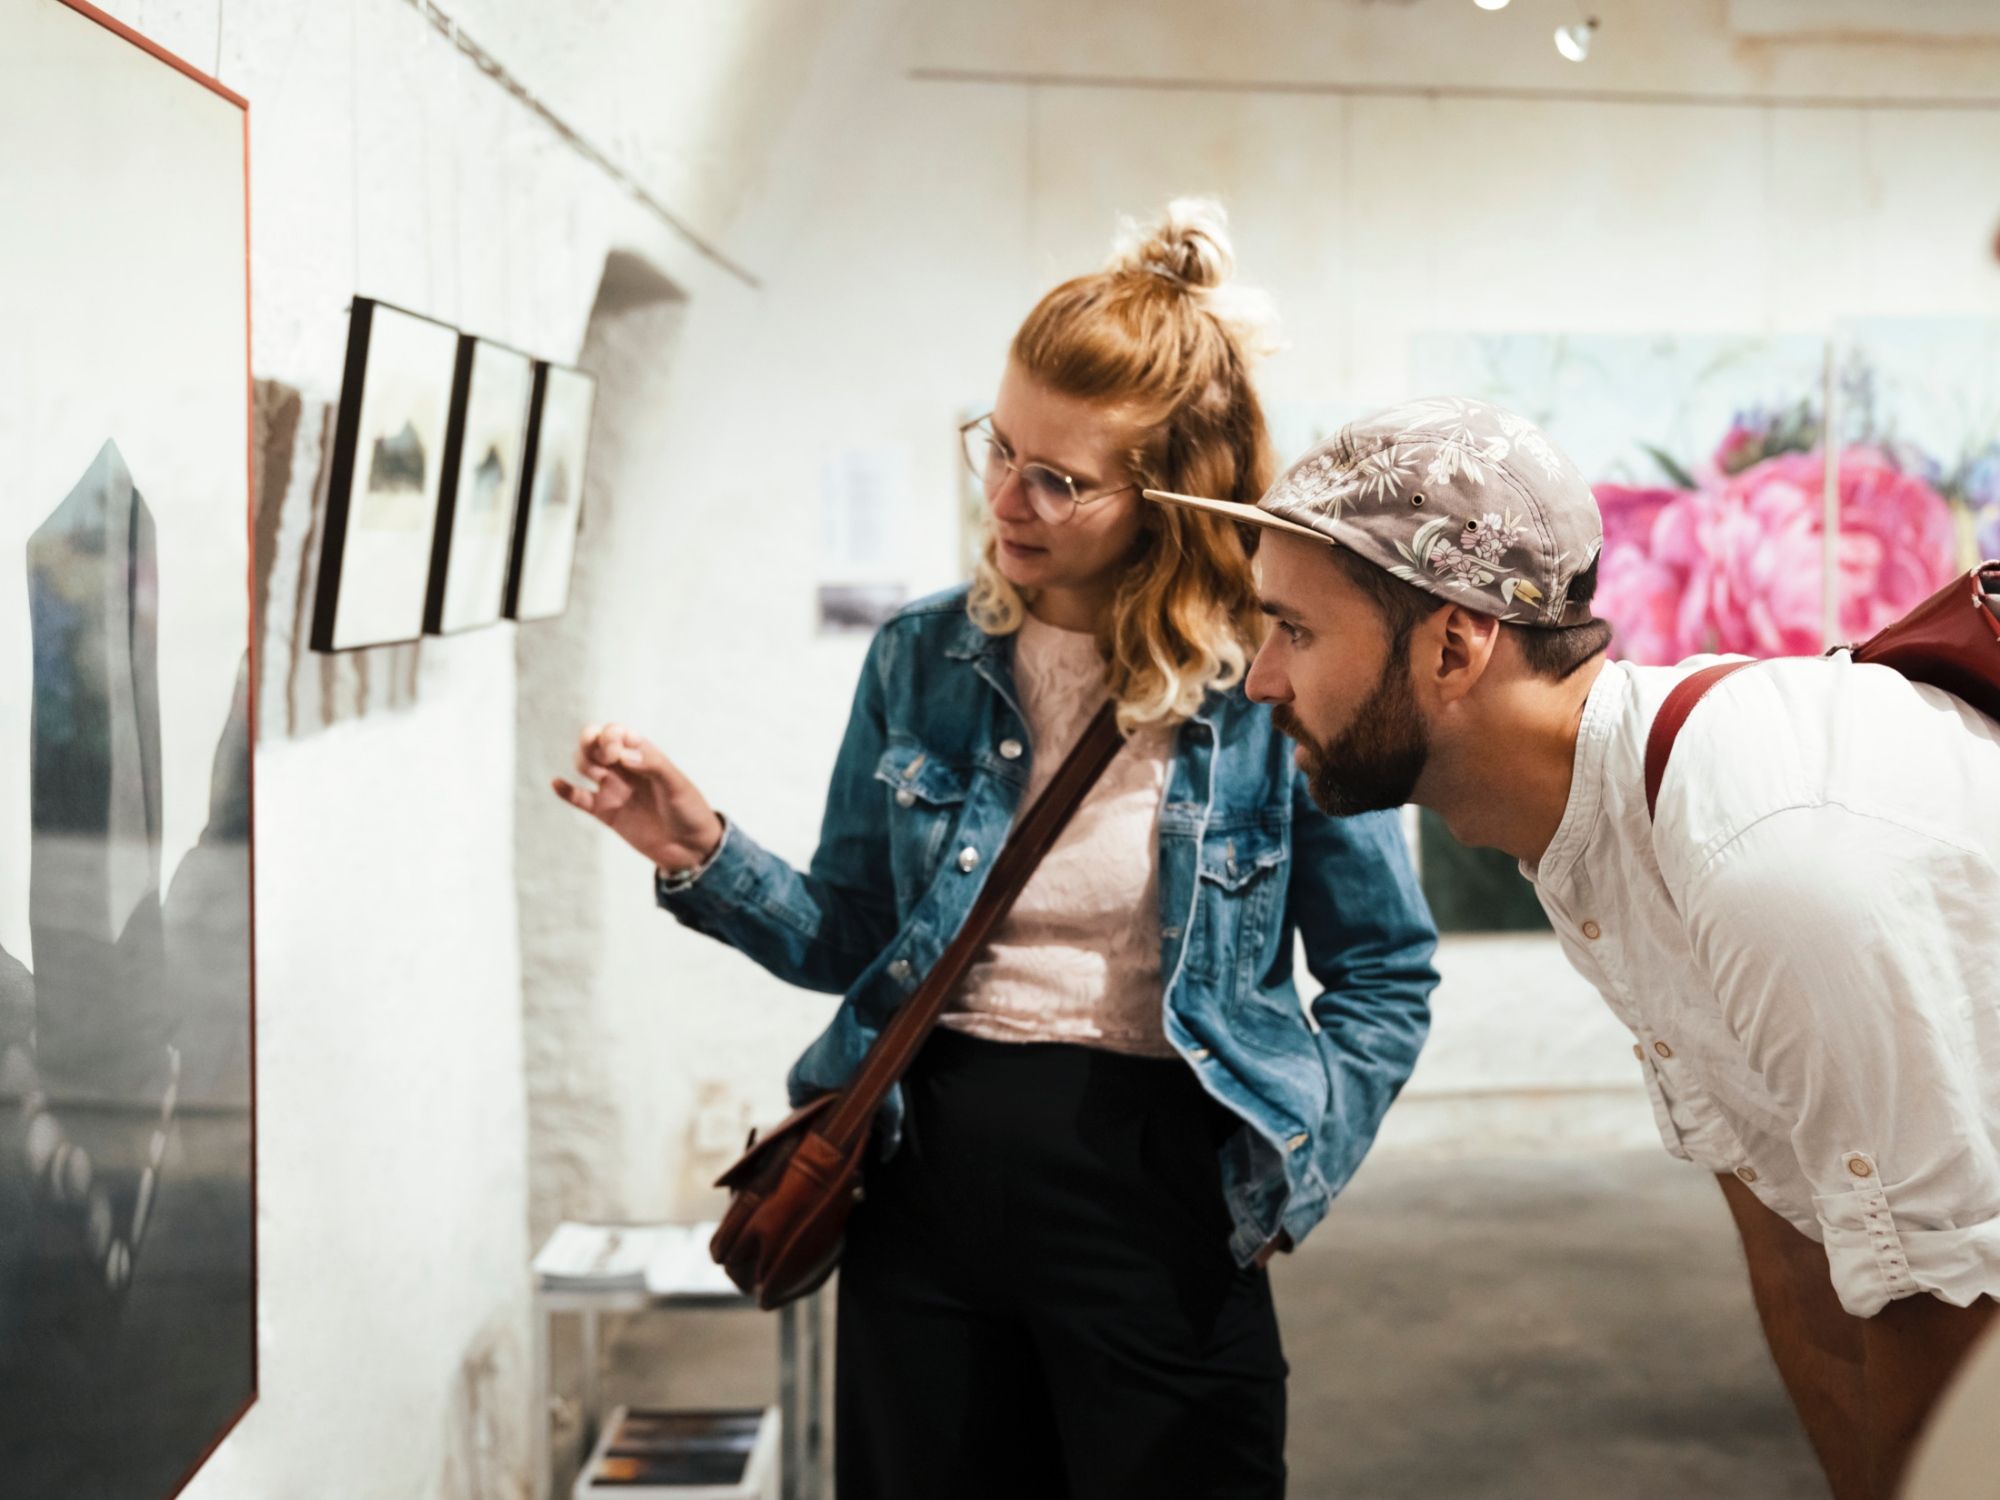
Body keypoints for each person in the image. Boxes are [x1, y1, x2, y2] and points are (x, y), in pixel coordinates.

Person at [552, 202, 1438, 1500]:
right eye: (998, 446)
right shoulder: (922, 658)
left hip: (1163, 1192)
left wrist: (1282, 1181)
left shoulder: (1272, 681)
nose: (1005, 501)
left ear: (1172, 497)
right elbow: (859, 936)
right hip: (925, 1174)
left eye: (1059, 479)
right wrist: (702, 850)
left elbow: (1385, 970)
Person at [1144, 394, 2000, 1500]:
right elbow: (1797, 1244)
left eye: (1294, 631)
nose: (1259, 679)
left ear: (1452, 645)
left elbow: (1945, 1302)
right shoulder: (1584, 837)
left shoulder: (1762, 855)